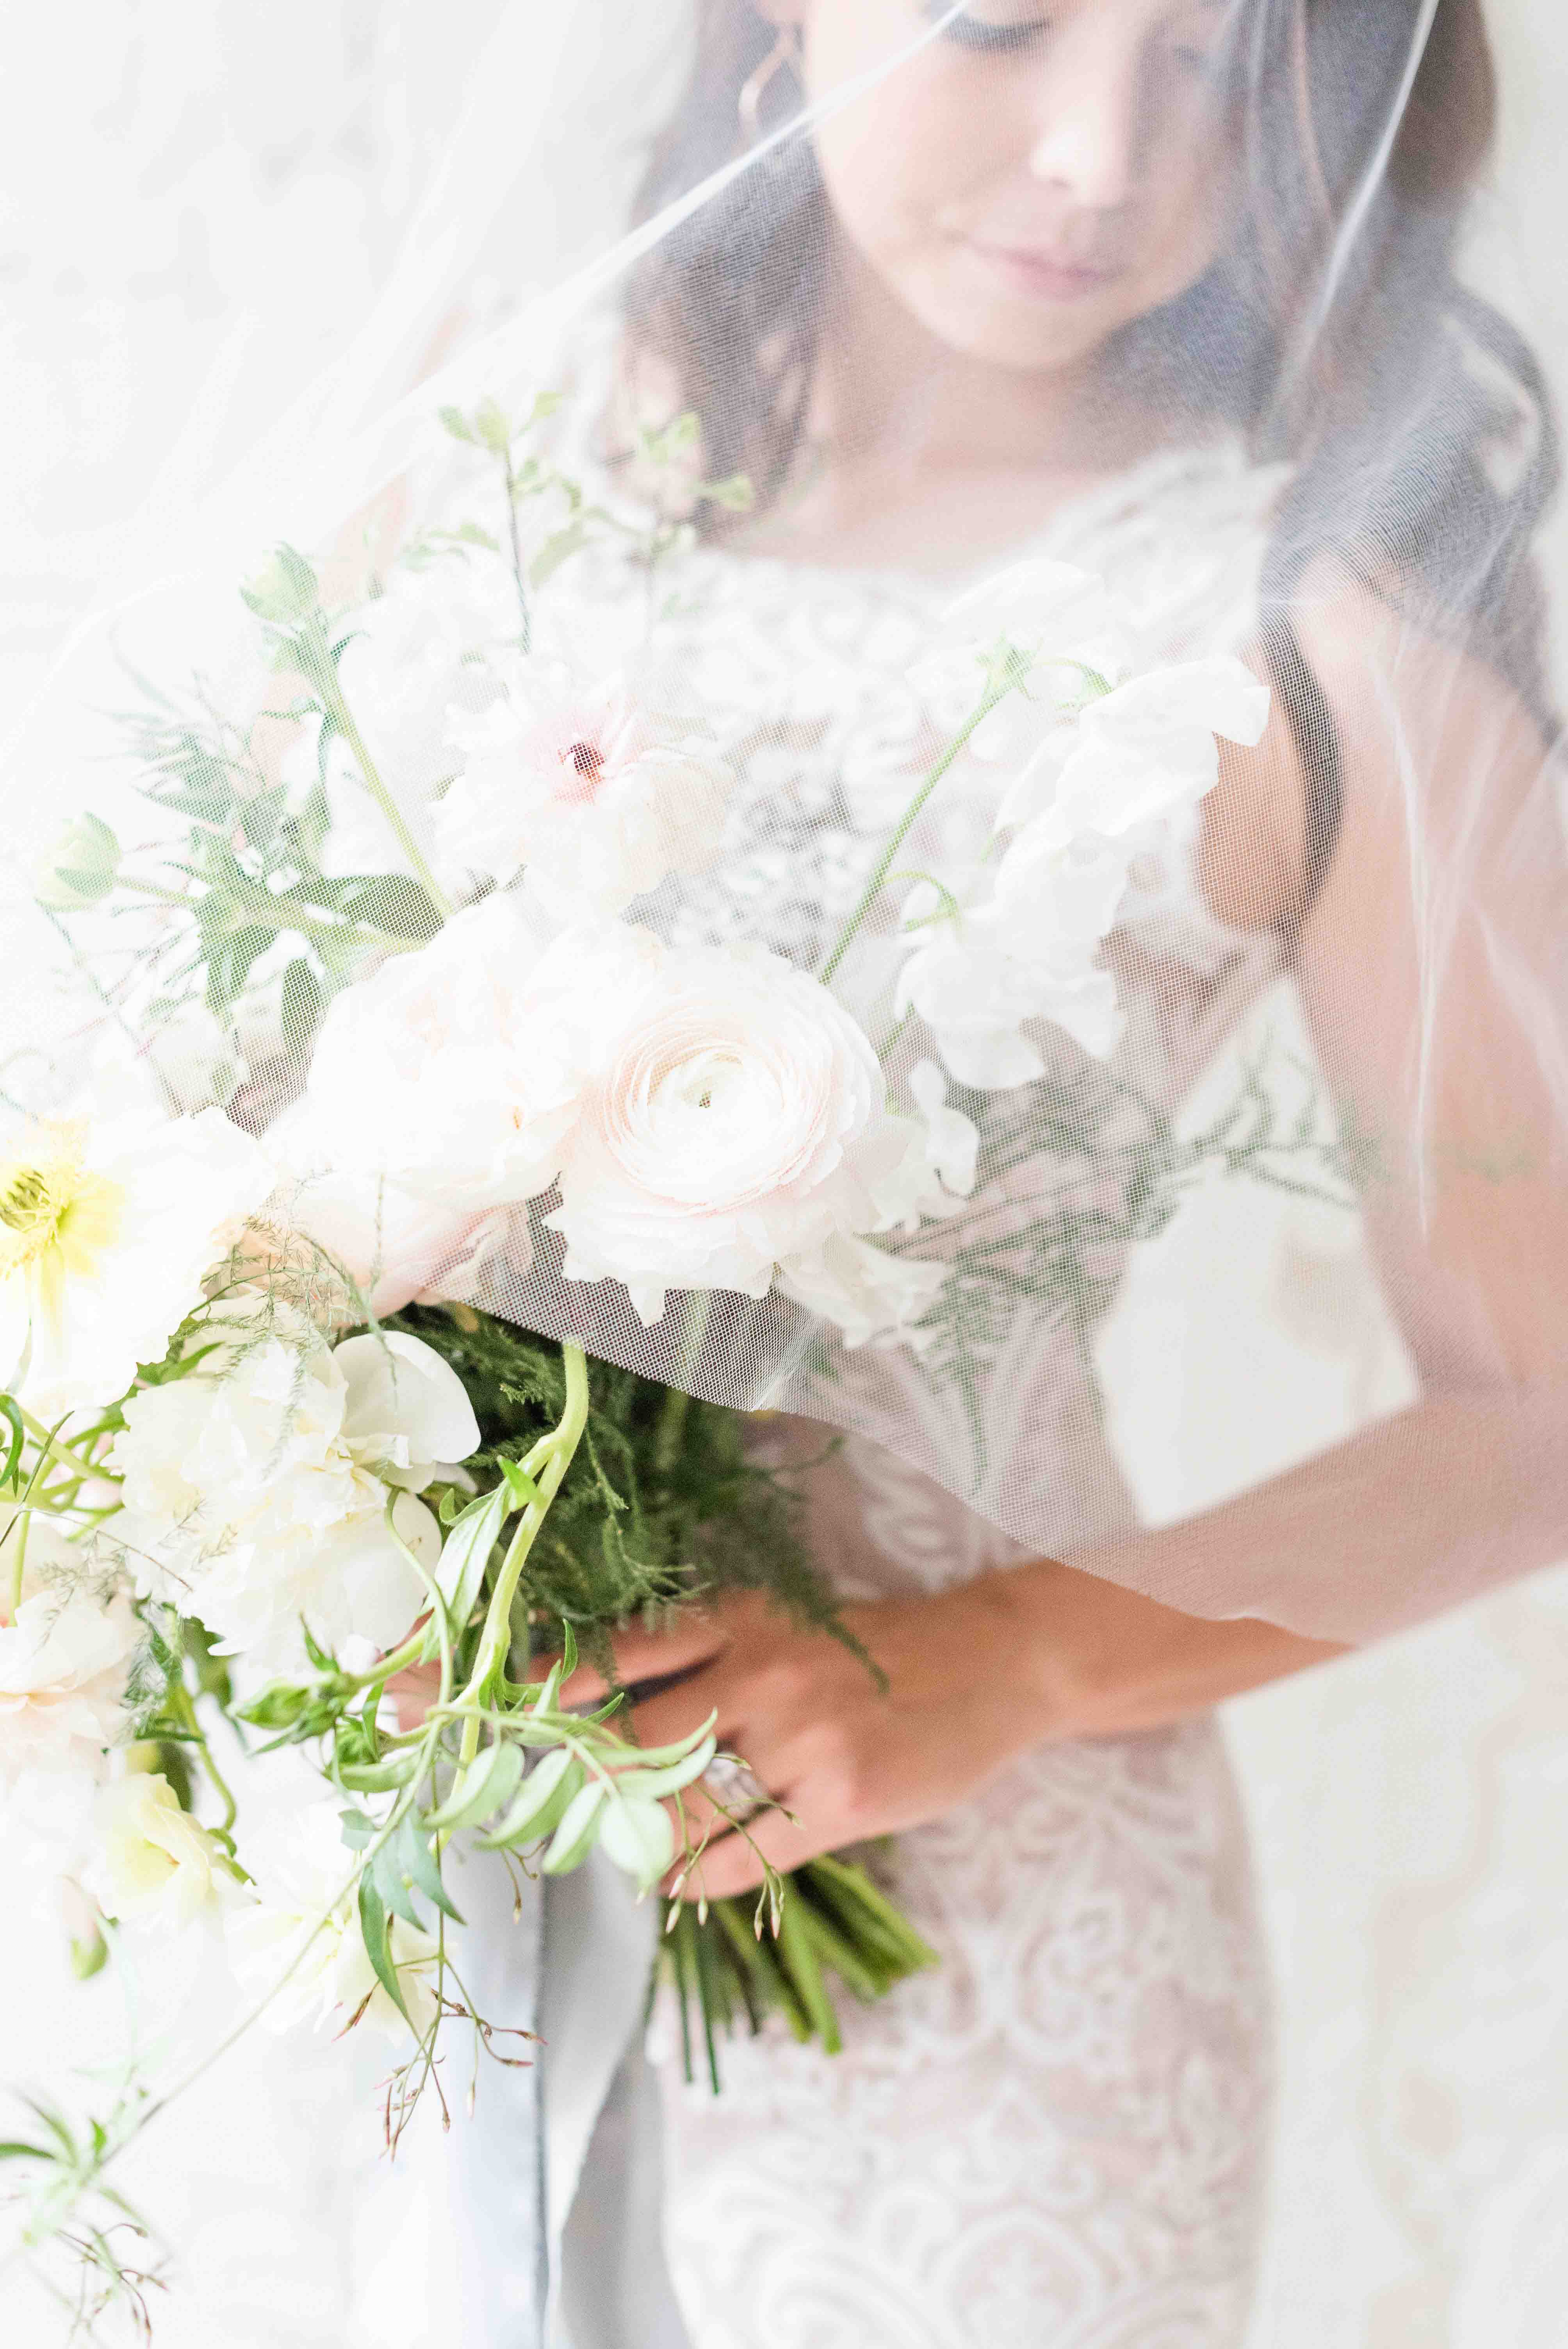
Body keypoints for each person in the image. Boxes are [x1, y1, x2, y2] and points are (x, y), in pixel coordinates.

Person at [410, 4, 1568, 2341]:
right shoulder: (497, 461)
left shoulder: (1313, 631)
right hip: (391, 1926)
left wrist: (999, 1662)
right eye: (1000, 20)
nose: (1097, 157)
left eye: (1220, 60)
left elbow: (1541, 1403)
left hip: (971, 1972)